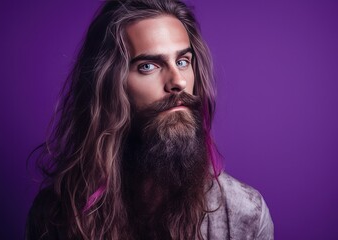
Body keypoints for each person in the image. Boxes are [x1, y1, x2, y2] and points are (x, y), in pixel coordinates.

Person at [26, 0, 274, 239]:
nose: (178, 81)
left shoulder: (246, 215)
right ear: (109, 86)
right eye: (148, 66)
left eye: (182, 61)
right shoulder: (57, 216)